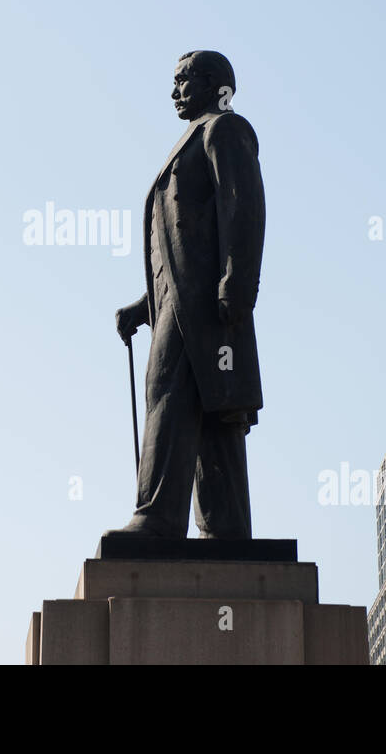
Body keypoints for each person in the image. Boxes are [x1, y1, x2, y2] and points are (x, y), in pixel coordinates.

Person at [112, 50, 265, 539]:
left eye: (183, 80)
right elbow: (180, 245)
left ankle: (158, 516)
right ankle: (228, 530)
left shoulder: (224, 130)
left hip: (205, 306)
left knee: (169, 396)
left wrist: (237, 284)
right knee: (212, 413)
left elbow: (243, 209)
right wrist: (144, 305)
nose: (175, 90)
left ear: (213, 82)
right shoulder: (190, 141)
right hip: (177, 305)